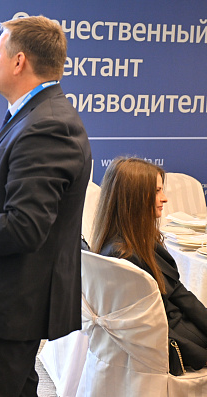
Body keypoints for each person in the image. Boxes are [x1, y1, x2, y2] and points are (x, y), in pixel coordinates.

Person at [0, 15, 92, 396]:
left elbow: (25, 226)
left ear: (19, 62)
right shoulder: (32, 115)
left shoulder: (48, 125)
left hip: (4, 311)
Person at [93, 157, 207, 371]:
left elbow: (177, 295)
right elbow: (168, 309)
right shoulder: (128, 256)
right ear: (133, 197)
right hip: (171, 342)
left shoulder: (123, 245)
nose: (164, 198)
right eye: (156, 191)